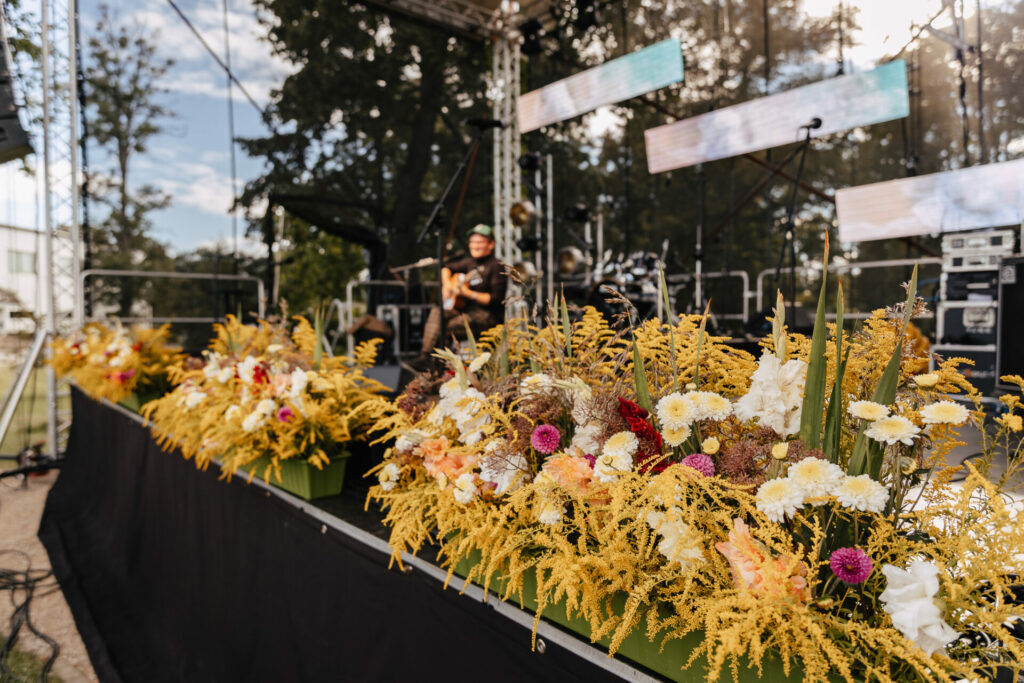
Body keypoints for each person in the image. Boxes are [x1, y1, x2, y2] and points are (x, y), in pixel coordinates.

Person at [415, 224, 507, 364]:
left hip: (488, 315)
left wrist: (467, 293)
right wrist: (447, 285)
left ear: (491, 244)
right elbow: (445, 268)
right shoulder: (469, 263)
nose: (475, 246)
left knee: (446, 327)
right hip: (466, 311)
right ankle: (425, 355)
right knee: (438, 312)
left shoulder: (496, 265)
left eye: (479, 242)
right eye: (472, 242)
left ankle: (442, 365)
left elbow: (495, 299)